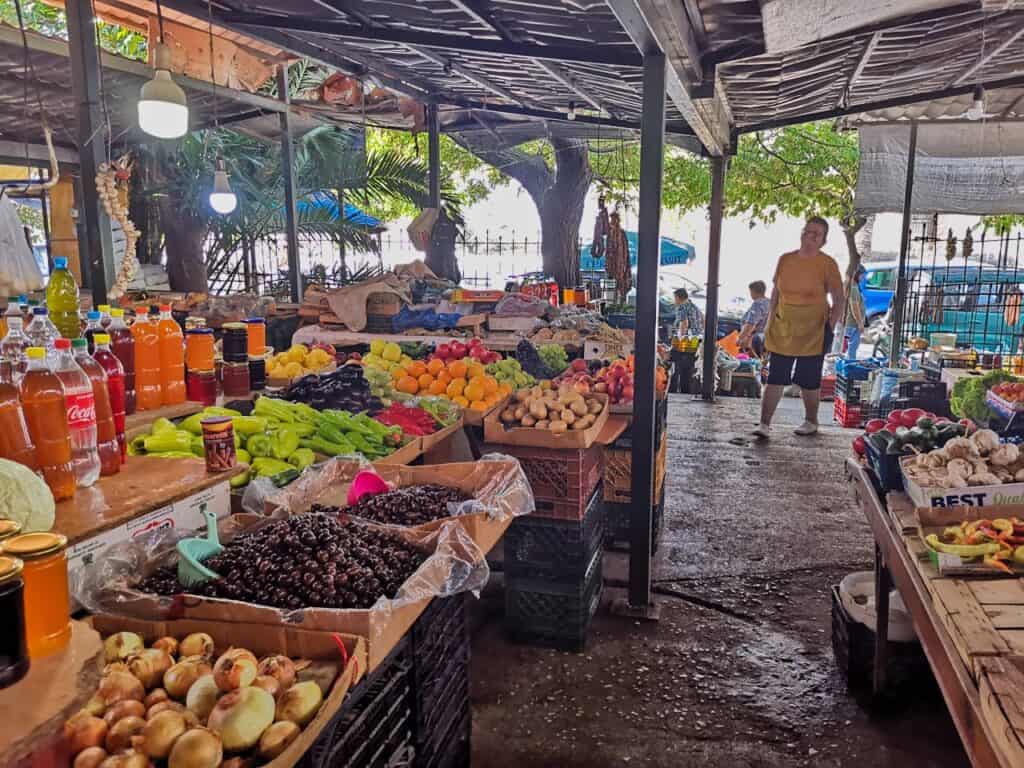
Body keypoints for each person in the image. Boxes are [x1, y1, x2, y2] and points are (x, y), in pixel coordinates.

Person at [753, 217, 844, 438]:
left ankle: (811, 421)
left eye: (817, 234)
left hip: (814, 331)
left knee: (808, 380)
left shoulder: (828, 264)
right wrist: (770, 320)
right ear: (801, 233)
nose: (810, 237)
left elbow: (839, 299)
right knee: (775, 376)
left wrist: (829, 325)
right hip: (784, 328)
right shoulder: (785, 259)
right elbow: (776, 292)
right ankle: (764, 424)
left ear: (823, 240)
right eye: (807, 231)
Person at [738, 280, 770, 357]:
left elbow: (751, 324)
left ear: (753, 291)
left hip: (753, 342)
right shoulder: (769, 302)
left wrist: (741, 338)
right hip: (764, 340)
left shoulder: (758, 303)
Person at [843, 265, 867, 360]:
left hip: (852, 324)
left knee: (849, 349)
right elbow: (854, 307)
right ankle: (849, 369)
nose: (863, 277)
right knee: (851, 350)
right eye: (862, 275)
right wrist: (860, 323)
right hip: (853, 324)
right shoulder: (853, 287)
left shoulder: (853, 286)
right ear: (856, 274)